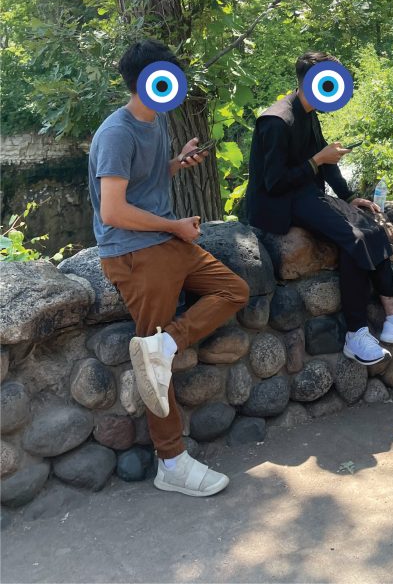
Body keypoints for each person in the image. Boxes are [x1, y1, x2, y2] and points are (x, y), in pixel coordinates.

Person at [89, 40, 249, 498]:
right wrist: (174, 225)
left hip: (168, 241)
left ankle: (165, 344)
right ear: (145, 81)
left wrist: (177, 163)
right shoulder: (116, 134)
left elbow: (146, 182)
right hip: (133, 252)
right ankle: (172, 461)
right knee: (153, 369)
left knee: (233, 291)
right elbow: (114, 211)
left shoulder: (155, 122)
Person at [244, 51, 393, 365]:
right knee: (354, 238)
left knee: (370, 227)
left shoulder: (309, 113)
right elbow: (273, 182)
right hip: (279, 203)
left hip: (305, 193)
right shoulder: (276, 121)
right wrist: (316, 161)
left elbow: (326, 161)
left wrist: (348, 197)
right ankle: (357, 333)